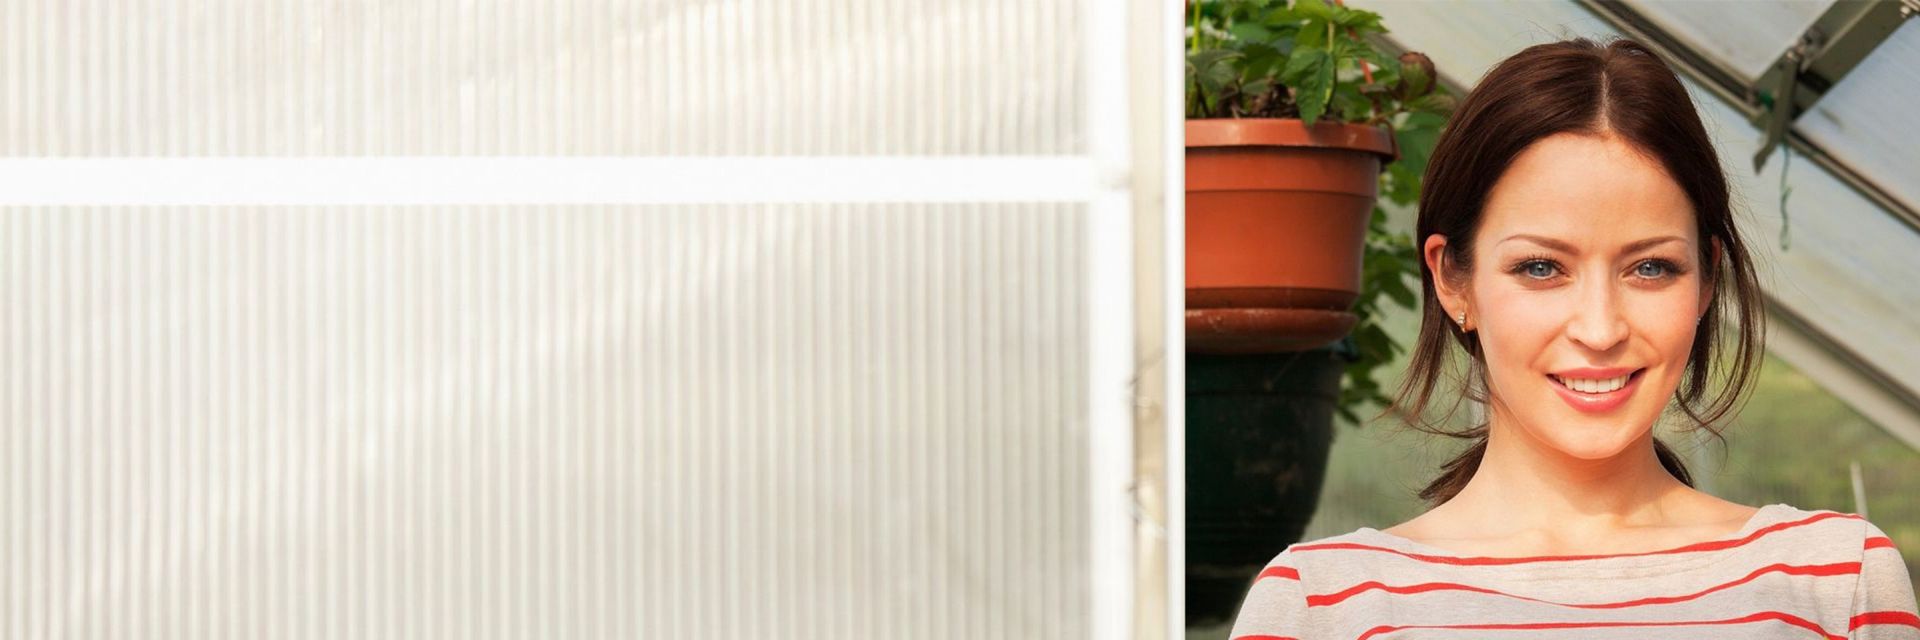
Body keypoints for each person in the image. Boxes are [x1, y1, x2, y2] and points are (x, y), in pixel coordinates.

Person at [1227, 37, 1920, 638]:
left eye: (1651, 267)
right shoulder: (1322, 604)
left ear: (1707, 280)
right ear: (1452, 280)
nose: (1599, 328)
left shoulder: (1836, 581)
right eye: (1540, 268)